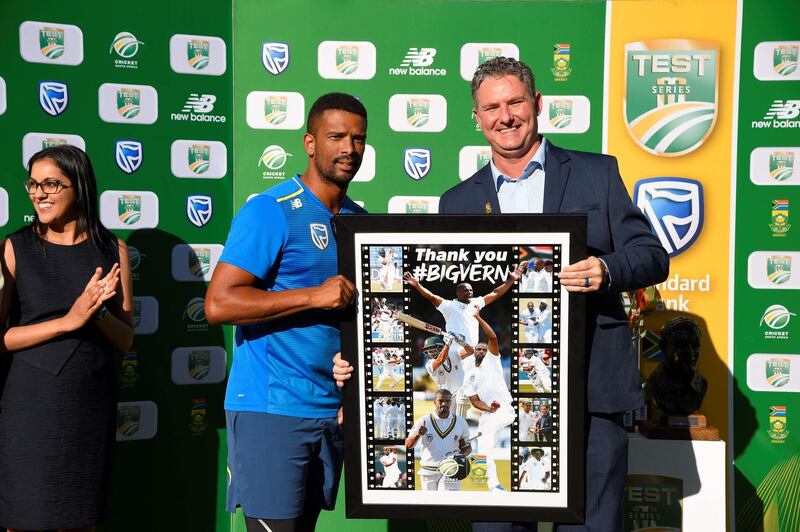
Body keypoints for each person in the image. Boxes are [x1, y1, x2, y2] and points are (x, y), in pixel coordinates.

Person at [438, 56, 670, 532]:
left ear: (538, 103)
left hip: (591, 391)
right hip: (504, 397)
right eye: (492, 107)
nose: (505, 116)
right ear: (477, 118)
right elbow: (449, 305)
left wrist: (605, 269)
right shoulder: (456, 201)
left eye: (516, 101)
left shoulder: (596, 174)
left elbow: (651, 254)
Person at [205, 92, 368, 532]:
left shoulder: (359, 219)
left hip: (329, 409)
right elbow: (219, 303)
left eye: (358, 138)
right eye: (336, 137)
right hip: (271, 408)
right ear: (310, 143)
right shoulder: (270, 209)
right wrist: (313, 296)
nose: (349, 149)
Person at [0, 145, 134, 530]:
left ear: (80, 187)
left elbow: (125, 340)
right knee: (23, 519)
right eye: (34, 184)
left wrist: (97, 313)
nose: (39, 193)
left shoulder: (113, 249)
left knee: (80, 519)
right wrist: (69, 319)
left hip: (88, 405)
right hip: (29, 406)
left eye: (51, 184)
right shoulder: (15, 248)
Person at [403, 265, 522, 417]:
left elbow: (495, 293)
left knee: (471, 387)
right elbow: (431, 297)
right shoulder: (449, 305)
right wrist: (417, 285)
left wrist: (511, 280)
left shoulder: (476, 302)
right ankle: (451, 416)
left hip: (470, 352)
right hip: (453, 351)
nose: (470, 292)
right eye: (466, 290)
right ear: (458, 293)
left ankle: (472, 413)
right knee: (459, 389)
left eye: (471, 290)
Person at [463, 307, 515, 492]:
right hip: (489, 413)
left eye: (484, 349)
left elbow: (492, 338)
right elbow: (474, 401)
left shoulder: (493, 360)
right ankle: (492, 484)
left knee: (487, 438)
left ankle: (494, 485)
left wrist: (478, 317)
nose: (482, 351)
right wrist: (487, 408)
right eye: (478, 349)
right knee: (482, 449)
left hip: (505, 410)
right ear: (474, 352)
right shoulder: (469, 375)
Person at [405, 389, 472, 491]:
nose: (444, 403)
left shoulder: (461, 422)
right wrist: (418, 434)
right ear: (434, 402)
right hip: (428, 471)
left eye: (447, 401)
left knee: (447, 503)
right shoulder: (424, 420)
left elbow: (467, 447)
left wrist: (461, 455)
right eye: (440, 401)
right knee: (431, 505)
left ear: (451, 402)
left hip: (451, 470)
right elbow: (408, 445)